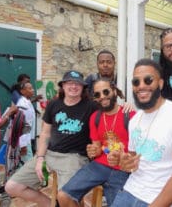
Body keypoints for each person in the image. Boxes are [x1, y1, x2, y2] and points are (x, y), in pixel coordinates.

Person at [110, 58, 172, 207]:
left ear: (161, 83)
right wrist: (123, 161)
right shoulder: (134, 121)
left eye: (148, 80)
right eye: (136, 82)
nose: (141, 86)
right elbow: (133, 162)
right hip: (130, 191)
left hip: (163, 200)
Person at [5, 70, 97, 207]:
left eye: (78, 83)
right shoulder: (54, 105)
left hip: (74, 157)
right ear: (63, 86)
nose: (74, 86)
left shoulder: (91, 106)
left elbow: (112, 111)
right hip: (49, 154)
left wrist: (126, 106)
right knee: (12, 186)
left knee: (67, 196)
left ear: (83, 87)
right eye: (69, 83)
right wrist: (40, 157)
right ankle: (51, 205)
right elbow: (45, 133)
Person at [57, 78, 135, 207]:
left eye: (106, 92)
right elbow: (98, 147)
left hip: (122, 169)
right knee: (63, 196)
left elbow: (137, 151)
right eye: (97, 94)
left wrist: (123, 158)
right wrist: (94, 150)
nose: (102, 97)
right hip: (99, 166)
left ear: (114, 91)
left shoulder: (130, 115)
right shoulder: (95, 118)